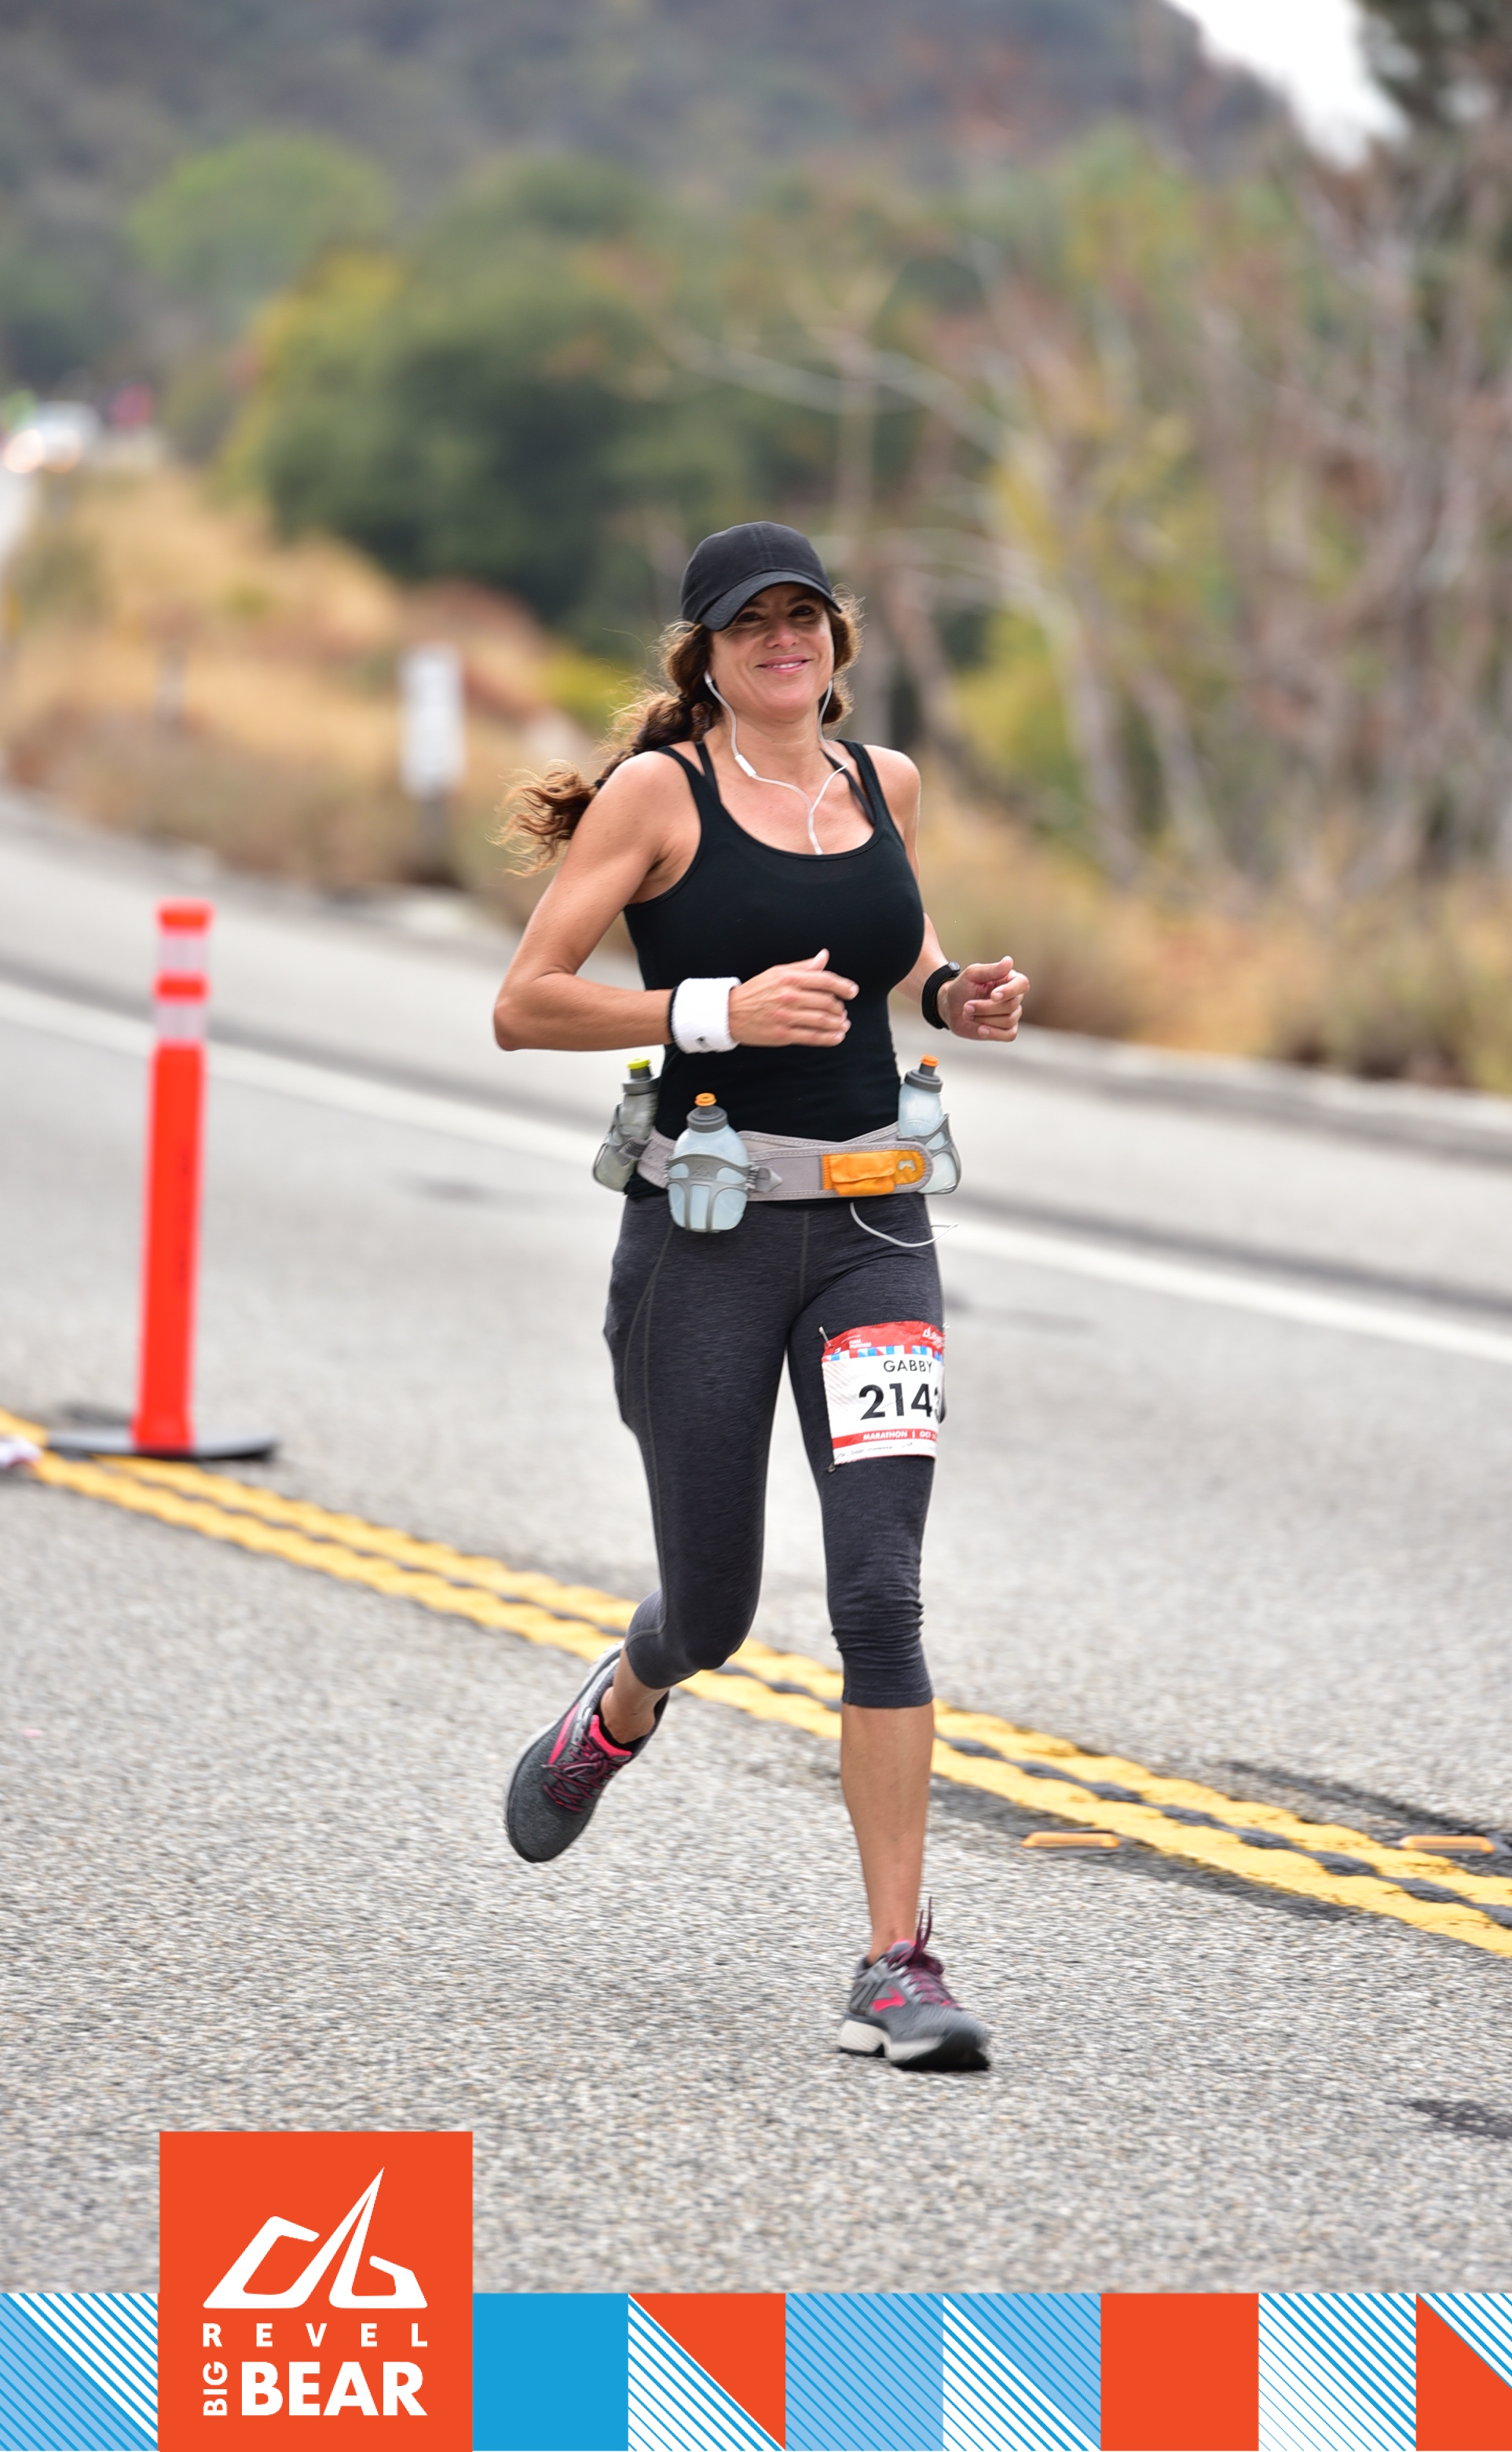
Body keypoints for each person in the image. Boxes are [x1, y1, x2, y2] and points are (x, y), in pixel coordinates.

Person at [492, 521, 1027, 2072]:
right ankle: (623, 1701)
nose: (783, 641)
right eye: (751, 625)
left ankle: (894, 1961)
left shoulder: (884, 784)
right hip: (705, 1237)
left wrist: (956, 995)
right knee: (714, 1610)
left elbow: (902, 954)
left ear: (837, 641)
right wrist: (712, 1010)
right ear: (707, 657)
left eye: (805, 617)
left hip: (875, 1232)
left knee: (879, 1591)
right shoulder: (659, 797)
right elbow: (525, 1002)